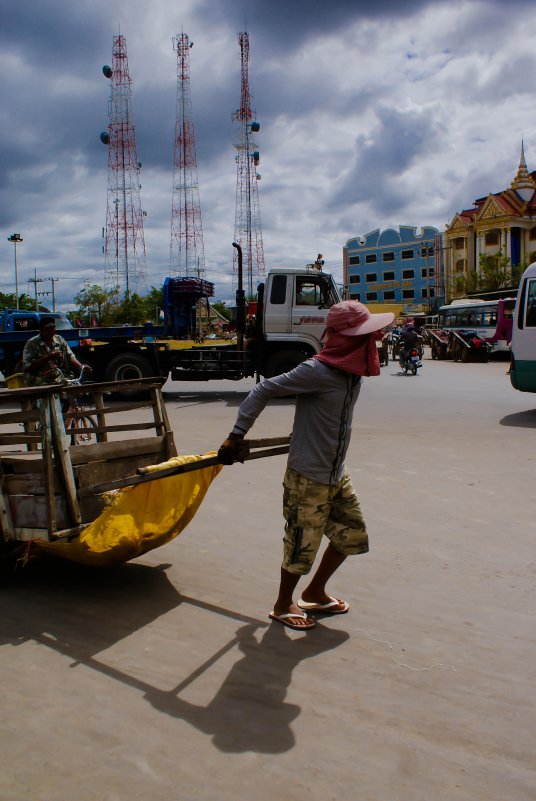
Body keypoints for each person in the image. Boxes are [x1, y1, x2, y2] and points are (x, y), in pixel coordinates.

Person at [218, 300, 394, 631]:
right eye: (365, 335)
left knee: (352, 536)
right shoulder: (317, 371)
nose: (373, 340)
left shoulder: (351, 374)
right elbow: (263, 390)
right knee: (301, 546)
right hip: (308, 478)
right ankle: (283, 604)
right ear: (347, 338)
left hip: (335, 473)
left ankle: (314, 592)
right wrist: (236, 436)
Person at [22, 316, 89, 387]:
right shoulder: (32, 343)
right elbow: (27, 365)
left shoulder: (59, 339)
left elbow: (70, 356)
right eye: (48, 329)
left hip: (57, 379)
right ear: (41, 330)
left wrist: (80, 366)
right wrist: (48, 357)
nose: (51, 331)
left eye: (52, 328)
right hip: (39, 382)